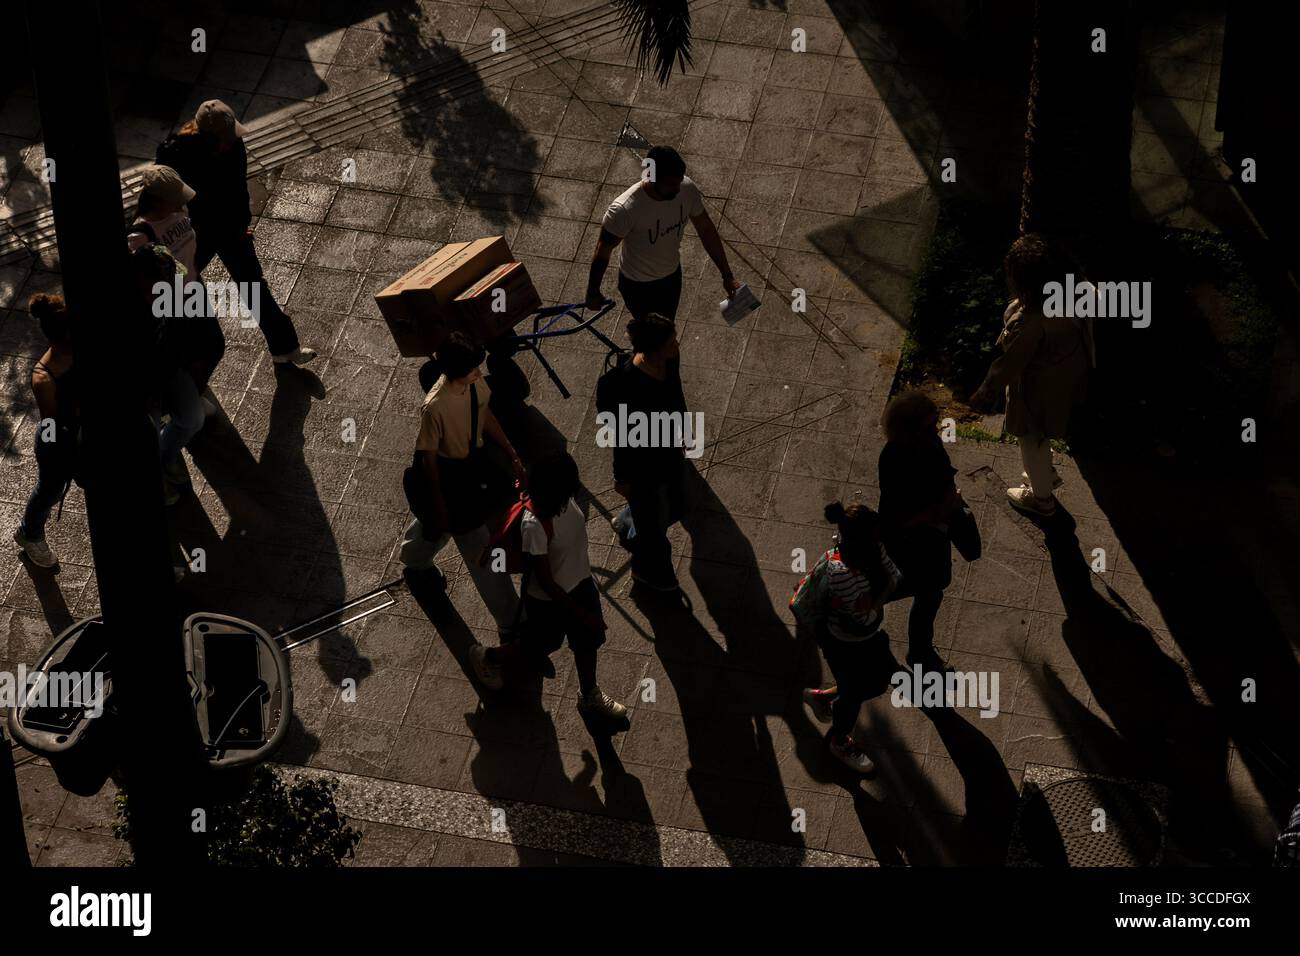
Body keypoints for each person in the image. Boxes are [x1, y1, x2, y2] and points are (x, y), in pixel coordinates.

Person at [156, 99, 315, 366]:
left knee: (253, 285)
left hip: (229, 229)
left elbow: (237, 190)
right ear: (205, 135)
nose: (231, 142)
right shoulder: (175, 154)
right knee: (179, 290)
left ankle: (284, 348)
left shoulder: (232, 146)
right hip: (193, 233)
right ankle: (173, 357)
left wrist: (241, 224)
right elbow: (166, 199)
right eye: (224, 138)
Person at [470, 452, 628, 719]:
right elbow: (546, 581)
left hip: (580, 583)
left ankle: (589, 695)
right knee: (539, 646)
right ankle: (487, 657)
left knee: (587, 643)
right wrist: (582, 613)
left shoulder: (563, 502)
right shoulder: (534, 526)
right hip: (549, 601)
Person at [400, 332, 527, 634]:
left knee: (435, 526)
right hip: (450, 481)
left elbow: (485, 414)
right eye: (473, 368)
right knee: (478, 549)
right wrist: (441, 501)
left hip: (472, 468)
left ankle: (413, 558)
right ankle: (510, 621)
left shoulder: (471, 383)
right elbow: (429, 460)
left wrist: (512, 455)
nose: (479, 372)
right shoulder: (435, 407)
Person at [969, 234, 1092, 516]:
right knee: (1044, 434)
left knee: (1030, 439)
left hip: (1035, 390)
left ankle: (1041, 498)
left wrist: (985, 392)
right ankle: (1043, 473)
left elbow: (1011, 363)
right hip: (1065, 378)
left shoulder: (1031, 323)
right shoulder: (1078, 294)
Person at [797, 501, 902, 773]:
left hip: (866, 637)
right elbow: (863, 617)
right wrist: (881, 594)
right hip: (842, 643)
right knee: (854, 694)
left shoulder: (872, 549)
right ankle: (839, 741)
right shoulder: (841, 573)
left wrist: (875, 600)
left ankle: (824, 698)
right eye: (875, 534)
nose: (880, 538)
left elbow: (894, 576)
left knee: (876, 684)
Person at [585, 145, 738, 320]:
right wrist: (593, 292)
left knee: (667, 333)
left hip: (671, 277)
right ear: (652, 177)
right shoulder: (624, 210)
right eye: (671, 184)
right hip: (638, 287)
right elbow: (602, 251)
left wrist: (727, 275)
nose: (677, 189)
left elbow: (706, 230)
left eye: (679, 181)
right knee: (655, 341)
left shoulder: (686, 188)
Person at [595, 312, 689, 592]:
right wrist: (621, 477)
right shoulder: (618, 386)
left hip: (670, 450)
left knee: (679, 505)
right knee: (654, 531)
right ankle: (651, 573)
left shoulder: (669, 360)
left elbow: (676, 393)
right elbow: (620, 438)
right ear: (653, 351)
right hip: (642, 465)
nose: (677, 345)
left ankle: (627, 522)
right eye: (672, 342)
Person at [878, 390, 964, 669]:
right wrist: (939, 511)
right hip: (913, 538)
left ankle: (919, 650)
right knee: (918, 588)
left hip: (929, 534)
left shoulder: (924, 443)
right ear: (912, 427)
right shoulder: (898, 458)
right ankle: (916, 651)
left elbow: (943, 475)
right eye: (931, 423)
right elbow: (900, 513)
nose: (938, 427)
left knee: (930, 590)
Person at [12, 294, 79, 568]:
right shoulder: (43, 378)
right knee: (49, 489)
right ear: (55, 339)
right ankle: (29, 534)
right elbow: (50, 422)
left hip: (81, 433)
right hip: (59, 439)